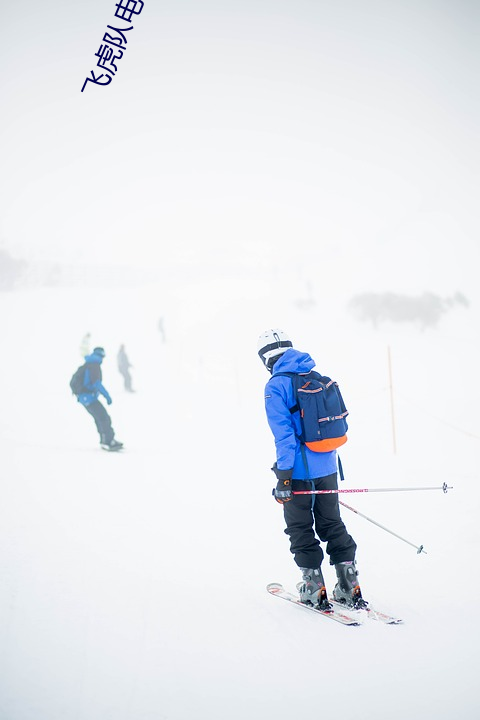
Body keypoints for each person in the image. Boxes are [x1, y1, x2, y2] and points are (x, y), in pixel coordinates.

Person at [257, 328, 366, 610]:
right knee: (332, 523)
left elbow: (284, 436)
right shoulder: (315, 377)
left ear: (266, 358)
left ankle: (313, 587)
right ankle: (348, 585)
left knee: (300, 527)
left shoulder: (276, 386)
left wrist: (284, 477)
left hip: (298, 472)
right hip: (328, 465)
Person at [76, 346, 123, 451]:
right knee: (104, 418)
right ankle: (108, 441)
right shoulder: (94, 365)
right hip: (89, 398)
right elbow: (96, 383)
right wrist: (107, 396)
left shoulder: (89, 363)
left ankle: (104, 440)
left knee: (100, 418)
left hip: (85, 398)